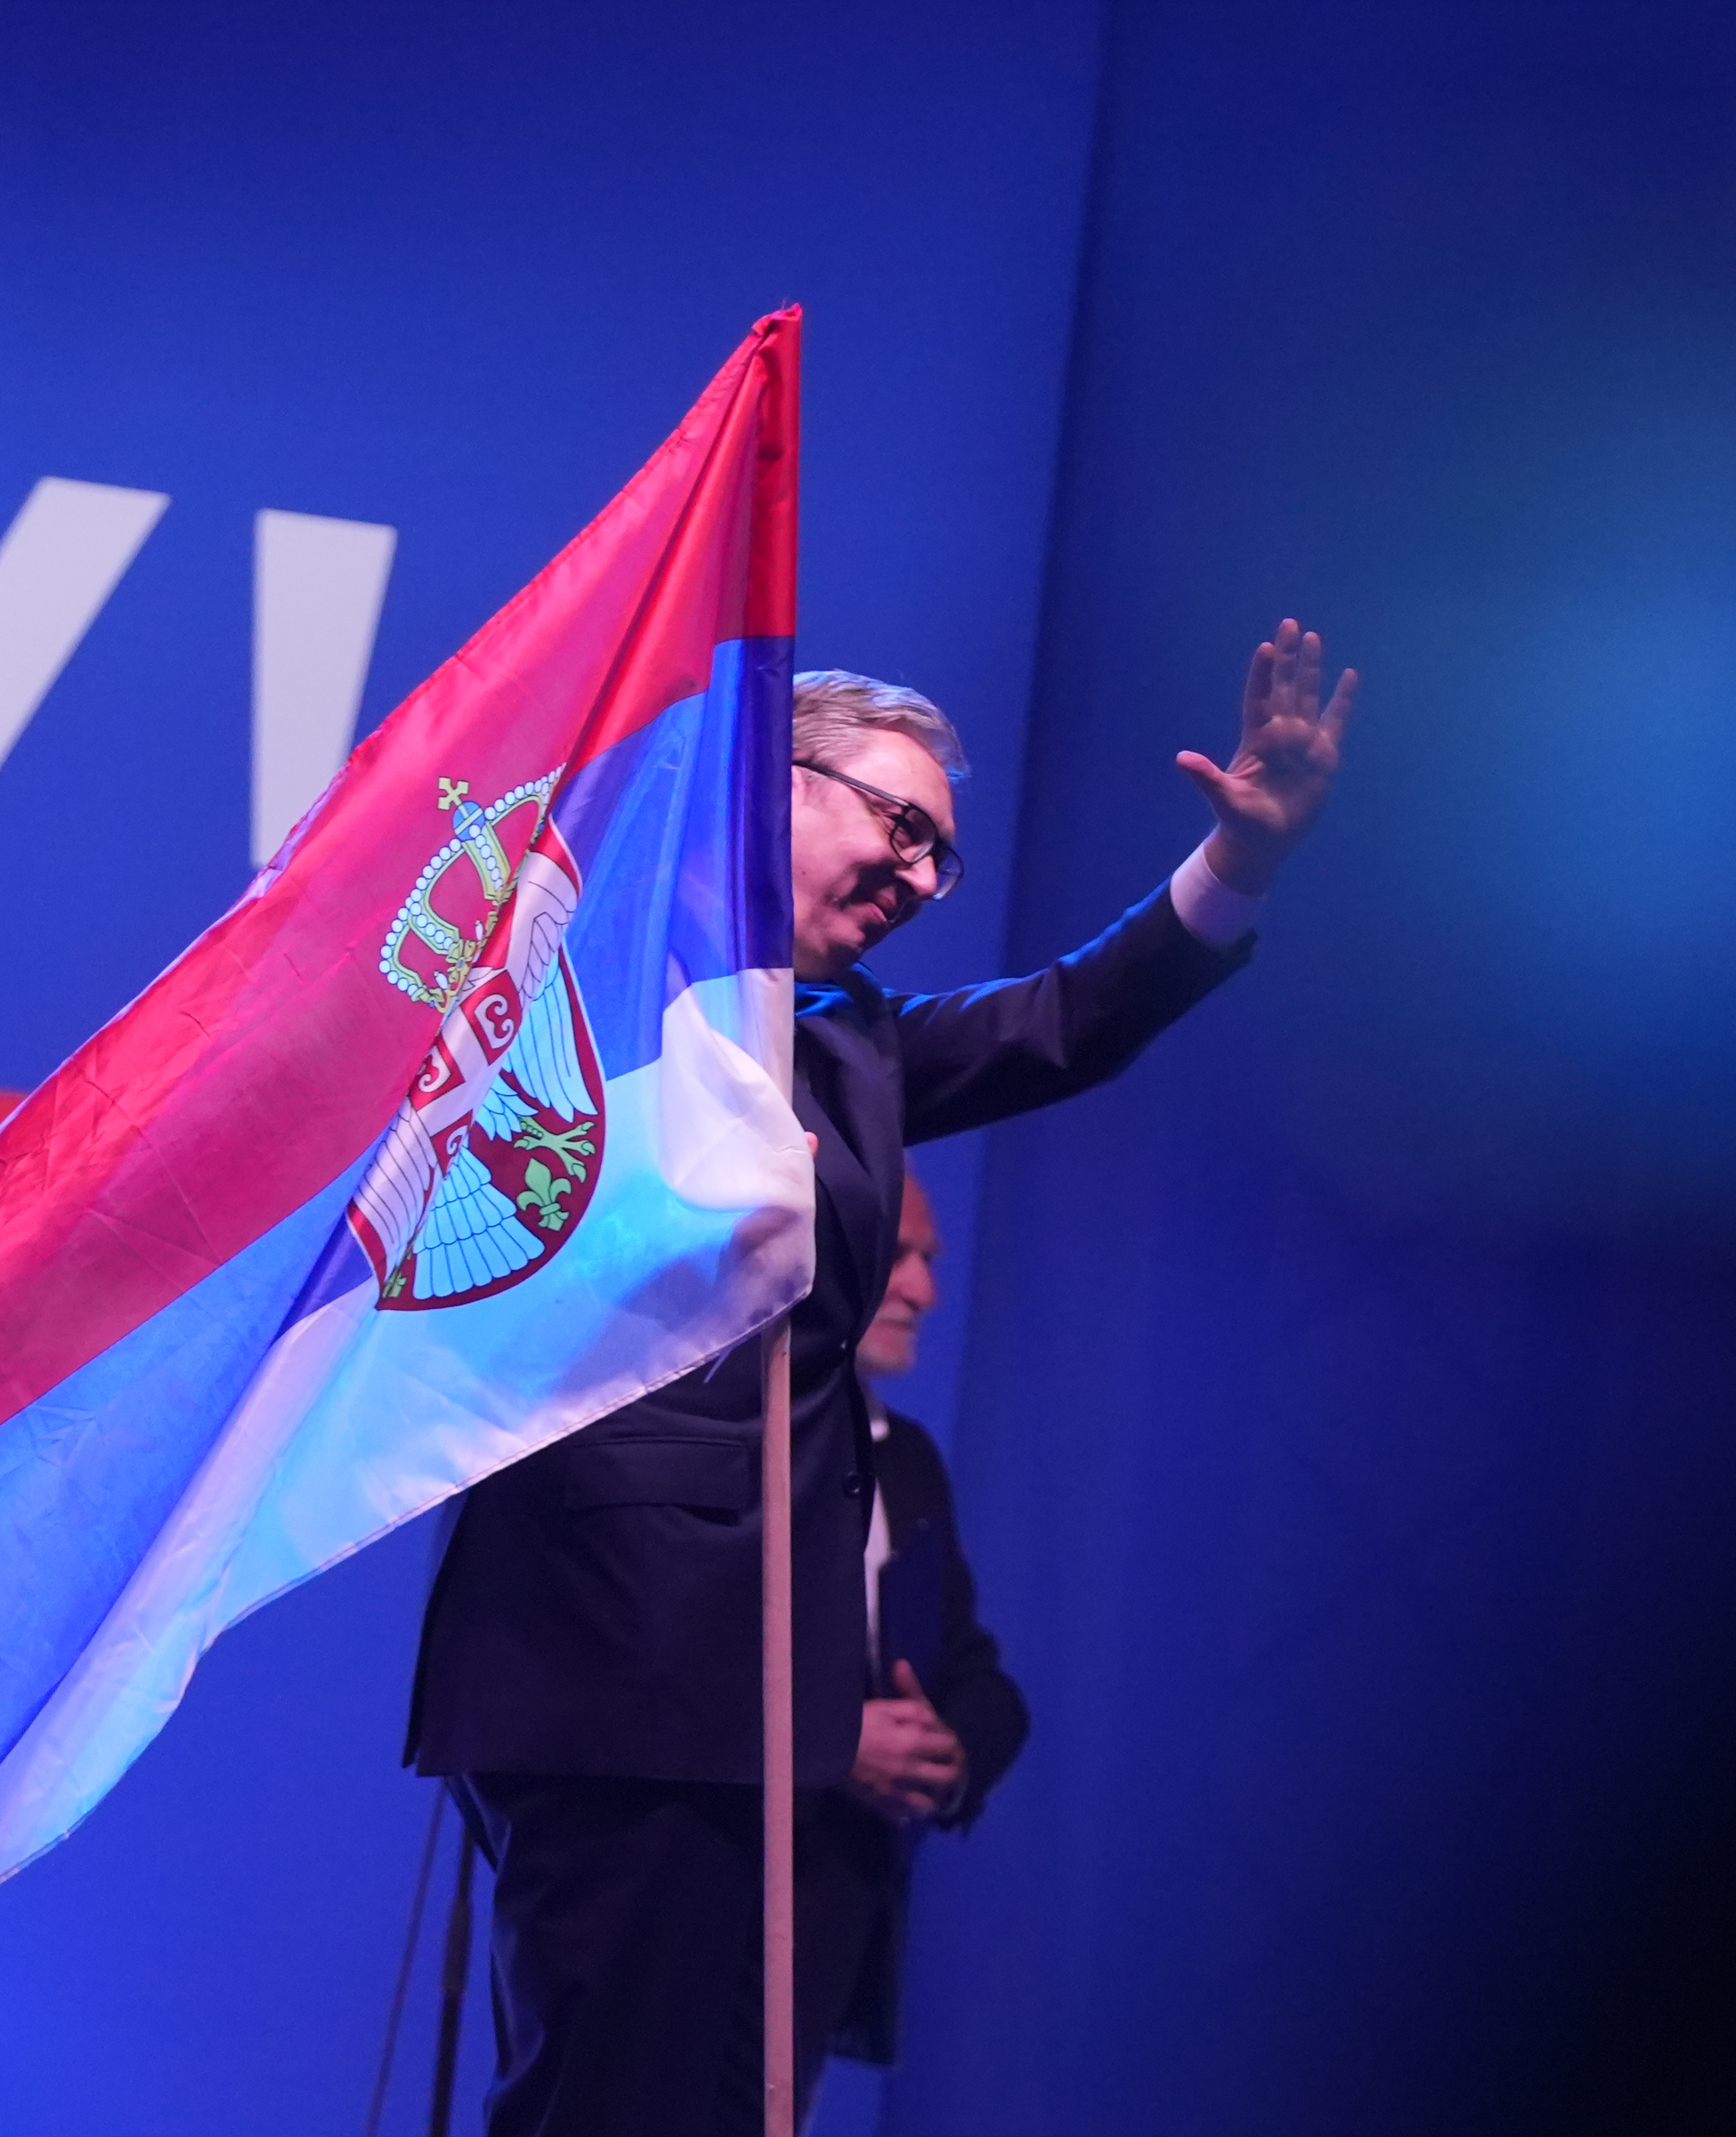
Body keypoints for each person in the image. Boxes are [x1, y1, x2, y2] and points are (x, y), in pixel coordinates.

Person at [409, 622, 1358, 2135]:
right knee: (610, 2102)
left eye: (943, 863)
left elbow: (1064, 1021)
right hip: (616, 1662)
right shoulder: (590, 968)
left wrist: (1236, 862)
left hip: (759, 1704)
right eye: (900, 824)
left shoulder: (854, 1044)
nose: (920, 879)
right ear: (777, 782)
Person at [806, 1162, 1025, 2073]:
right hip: (689, 1934)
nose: (927, 1291)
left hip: (825, 1947)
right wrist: (830, 1745)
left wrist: (944, 1755)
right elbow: (642, 1683)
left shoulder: (911, 1463)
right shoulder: (707, 1460)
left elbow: (978, 1675)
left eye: (930, 1259)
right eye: (897, 1256)